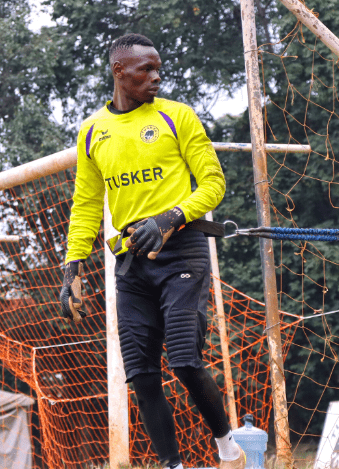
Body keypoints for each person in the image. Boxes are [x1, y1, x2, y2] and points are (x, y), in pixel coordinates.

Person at [59, 33, 246, 469]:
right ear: (119, 71)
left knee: (183, 359)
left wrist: (168, 219)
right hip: (130, 265)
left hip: (182, 251)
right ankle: (172, 465)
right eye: (146, 69)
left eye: (159, 68)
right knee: (141, 376)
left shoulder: (177, 116)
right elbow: (86, 207)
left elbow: (214, 184)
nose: (156, 77)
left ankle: (228, 450)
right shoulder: (92, 132)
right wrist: (71, 270)